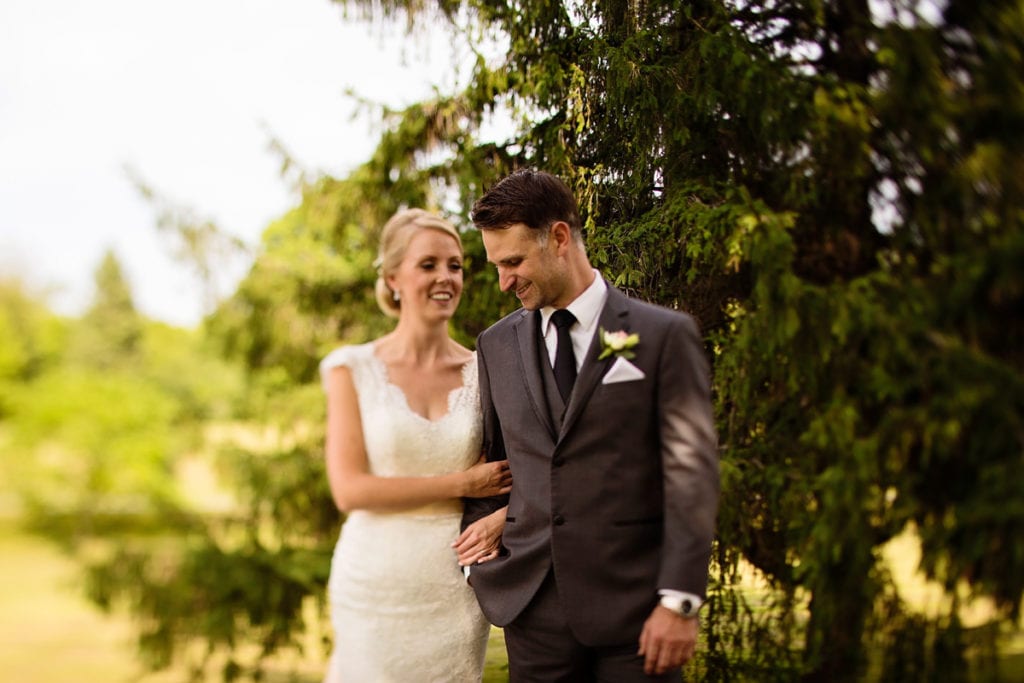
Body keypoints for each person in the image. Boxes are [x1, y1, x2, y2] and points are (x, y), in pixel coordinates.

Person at [456, 170, 720, 681]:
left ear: (558, 238)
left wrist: (679, 602)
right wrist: (480, 564)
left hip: (638, 613)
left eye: (513, 262)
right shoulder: (496, 346)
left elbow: (692, 476)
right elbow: (494, 462)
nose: (504, 281)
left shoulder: (662, 336)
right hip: (533, 616)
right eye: (496, 266)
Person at [319, 208, 512, 682]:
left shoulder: (486, 370)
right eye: (428, 265)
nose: (445, 277)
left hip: (453, 588)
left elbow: (525, 469)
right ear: (393, 279)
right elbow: (350, 490)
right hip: (372, 585)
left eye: (455, 265)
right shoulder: (352, 369)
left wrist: (502, 518)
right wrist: (464, 481)